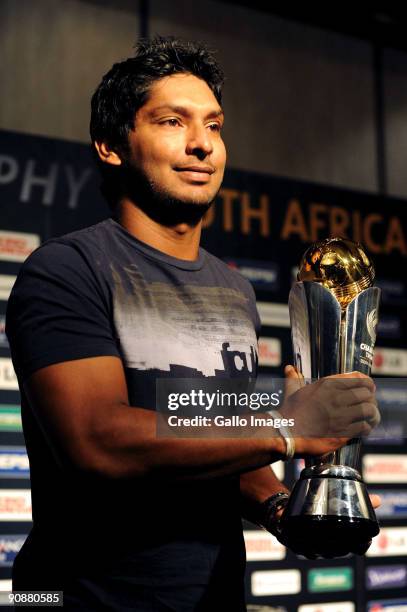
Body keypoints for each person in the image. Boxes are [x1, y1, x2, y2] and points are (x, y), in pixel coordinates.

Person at [6, 37, 379, 611]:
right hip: (81, 598)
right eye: (172, 121)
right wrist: (285, 426)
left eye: (214, 124)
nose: (202, 144)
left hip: (210, 598)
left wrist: (282, 507)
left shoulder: (233, 290)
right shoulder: (66, 269)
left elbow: (213, 437)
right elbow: (96, 440)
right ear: (110, 145)